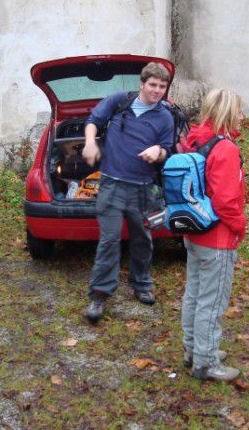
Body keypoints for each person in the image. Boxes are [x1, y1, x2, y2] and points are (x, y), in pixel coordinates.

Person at [82, 62, 175, 323]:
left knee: (142, 239)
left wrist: (159, 152)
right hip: (111, 184)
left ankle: (142, 284)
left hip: (142, 188)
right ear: (142, 84)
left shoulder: (165, 117)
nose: (157, 91)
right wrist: (90, 143)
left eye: (162, 86)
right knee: (109, 241)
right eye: (153, 85)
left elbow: (169, 149)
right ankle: (99, 295)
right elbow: (93, 122)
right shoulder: (119, 102)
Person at [180, 88, 246, 381]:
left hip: (193, 232)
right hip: (217, 238)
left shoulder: (195, 140)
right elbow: (226, 201)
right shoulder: (226, 149)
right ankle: (206, 362)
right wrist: (240, 227)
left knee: (194, 294)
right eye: (239, 111)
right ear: (228, 112)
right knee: (213, 300)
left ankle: (193, 348)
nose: (243, 117)